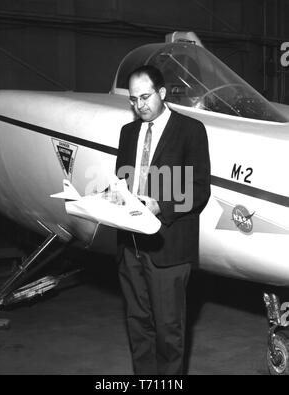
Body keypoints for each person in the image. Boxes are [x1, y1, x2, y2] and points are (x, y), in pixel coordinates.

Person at [115, 65, 211, 375]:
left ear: (163, 93)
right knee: (138, 325)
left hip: (168, 247)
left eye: (145, 97)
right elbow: (123, 181)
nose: (139, 105)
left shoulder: (190, 130)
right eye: (133, 99)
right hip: (130, 247)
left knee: (170, 331)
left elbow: (199, 190)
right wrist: (109, 198)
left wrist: (162, 206)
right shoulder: (128, 133)